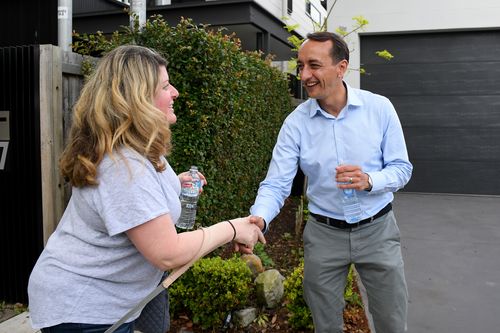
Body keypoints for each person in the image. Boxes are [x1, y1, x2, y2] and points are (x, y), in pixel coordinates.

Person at [28, 45, 265, 333]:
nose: (175, 92)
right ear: (138, 98)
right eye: (166, 86)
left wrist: (175, 183)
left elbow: (137, 197)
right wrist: (232, 228)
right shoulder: (123, 165)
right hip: (84, 309)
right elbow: (167, 253)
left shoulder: (138, 149)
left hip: (108, 299)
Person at [247, 32, 413, 333]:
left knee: (391, 319)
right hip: (323, 235)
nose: (305, 75)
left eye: (314, 65)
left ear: (341, 67)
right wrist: (259, 219)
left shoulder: (380, 109)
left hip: (377, 230)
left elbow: (402, 169)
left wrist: (369, 180)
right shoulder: (296, 123)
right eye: (301, 66)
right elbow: (276, 184)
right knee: (325, 325)